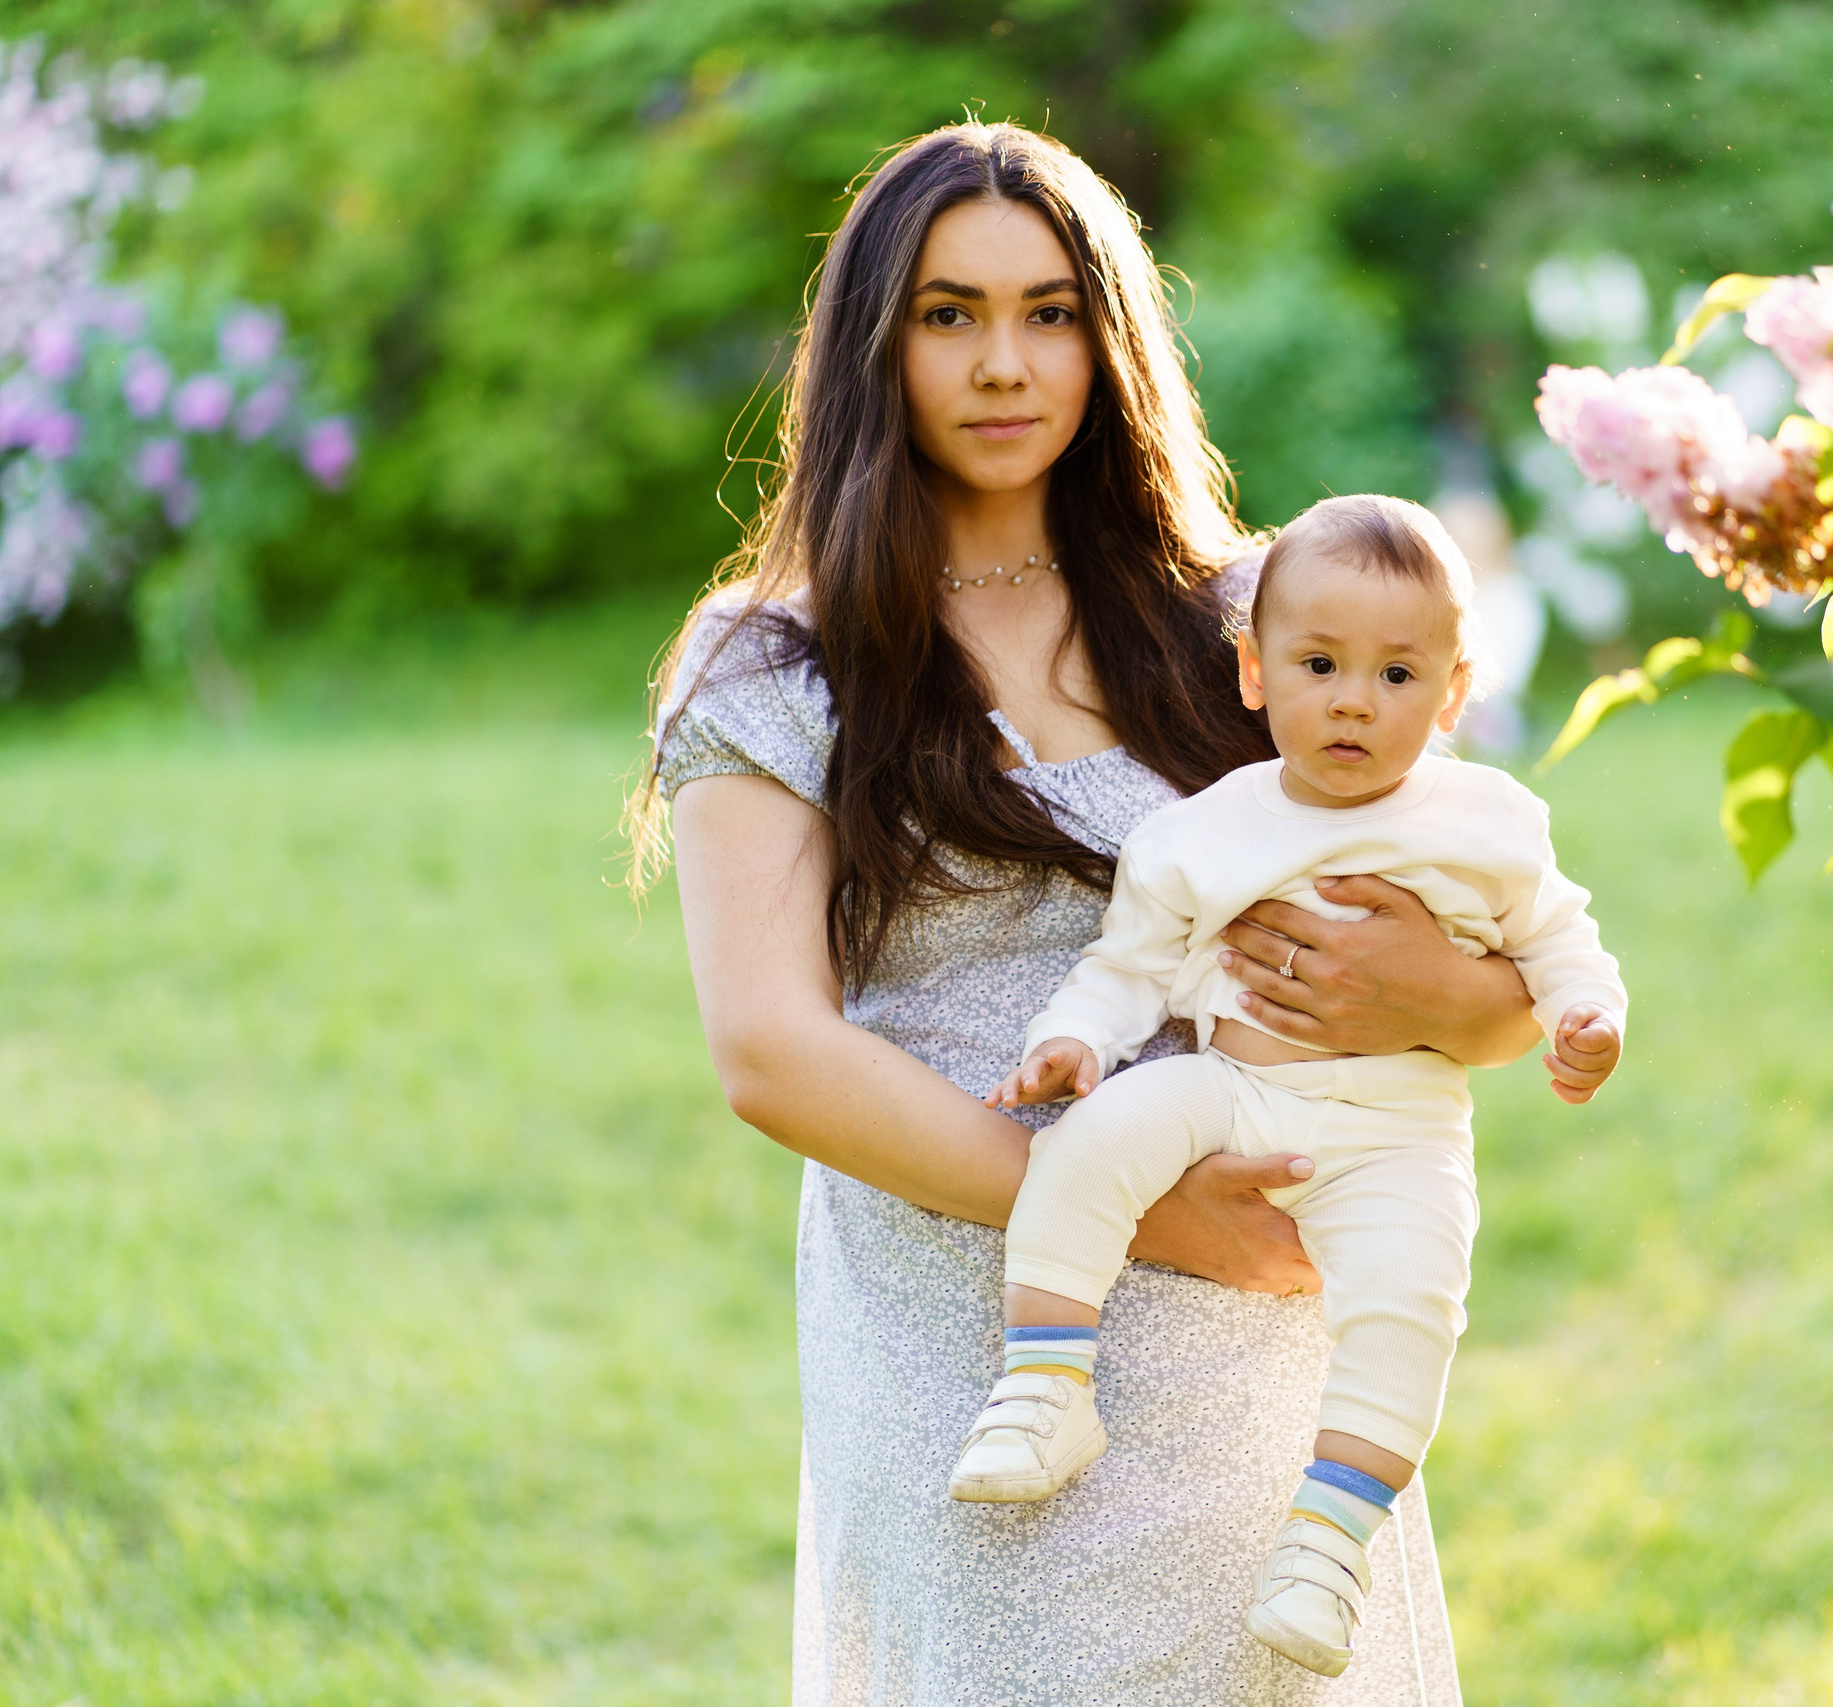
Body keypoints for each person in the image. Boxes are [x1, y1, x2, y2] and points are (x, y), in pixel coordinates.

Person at [631, 122, 1610, 1704]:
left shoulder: (1244, 623)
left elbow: (1505, 959)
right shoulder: (774, 663)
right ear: (876, 346)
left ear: (1110, 334)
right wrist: (1138, 1206)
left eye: (1049, 310)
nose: (1004, 362)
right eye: (950, 314)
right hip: (971, 1325)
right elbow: (768, 1052)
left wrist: (1421, 985)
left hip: (1254, 1348)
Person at [958, 493, 1628, 1678]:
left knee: (1411, 1300)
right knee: (1090, 1139)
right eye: (1320, 665)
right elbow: (1132, 966)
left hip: (1397, 1129)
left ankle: (1327, 1542)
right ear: (1256, 673)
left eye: (1397, 674)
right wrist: (1077, 1041)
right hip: (1232, 1087)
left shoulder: (1487, 821)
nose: (1356, 701)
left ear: (1453, 692)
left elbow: (1559, 943)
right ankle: (1046, 1383)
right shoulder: (1205, 832)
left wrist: (1584, 1016)